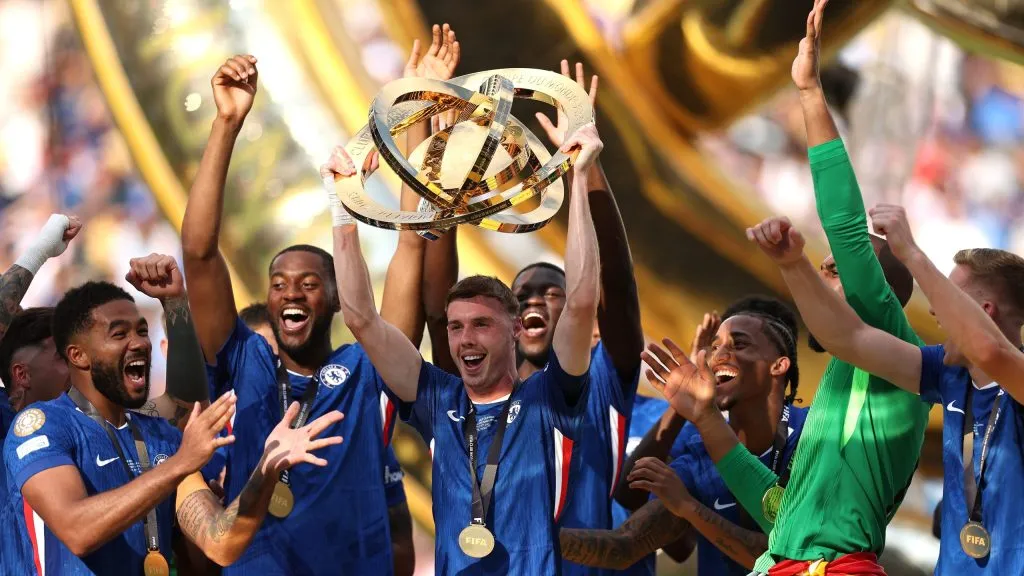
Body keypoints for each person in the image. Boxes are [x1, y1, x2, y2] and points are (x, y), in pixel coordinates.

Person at [179, 29, 458, 573]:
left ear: (334, 298)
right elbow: (199, 252)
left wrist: (420, 106)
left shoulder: (367, 368)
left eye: (308, 283)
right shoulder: (244, 359)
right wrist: (227, 124)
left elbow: (410, 241)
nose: (290, 292)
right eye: (279, 282)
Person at [670, 2, 928, 574]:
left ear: (879, 290)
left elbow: (845, 227)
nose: (825, 272)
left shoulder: (892, 344)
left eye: (837, 270)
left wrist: (810, 95)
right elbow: (784, 517)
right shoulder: (841, 376)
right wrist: (707, 420)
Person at [324, 120, 603, 574]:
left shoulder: (549, 398)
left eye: (481, 325)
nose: (465, 339)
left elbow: (582, 301)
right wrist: (343, 208)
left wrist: (581, 174)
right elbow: (360, 319)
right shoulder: (439, 400)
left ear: (514, 330)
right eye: (455, 328)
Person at [746, 205, 1024, 574]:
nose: (936, 313)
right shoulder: (946, 372)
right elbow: (848, 337)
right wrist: (792, 264)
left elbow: (991, 350)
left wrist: (911, 252)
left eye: (948, 296)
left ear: (984, 310)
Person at [1, 280, 342, 575]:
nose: (139, 343)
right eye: (119, 334)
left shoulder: (162, 436)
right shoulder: (40, 427)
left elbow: (220, 541)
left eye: (142, 331)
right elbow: (77, 530)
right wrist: (180, 464)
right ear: (78, 356)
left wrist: (266, 468)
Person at [508, 59, 643, 576]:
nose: (536, 301)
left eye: (552, 293)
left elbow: (619, 286)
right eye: (522, 296)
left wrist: (586, 170)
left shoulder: (603, 383)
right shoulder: (478, 391)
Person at [560, 299, 808, 575]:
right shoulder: (698, 459)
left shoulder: (816, 433)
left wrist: (690, 508)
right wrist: (533, 537)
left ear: (779, 365)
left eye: (738, 345)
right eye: (714, 348)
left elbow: (787, 557)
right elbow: (625, 545)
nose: (718, 356)